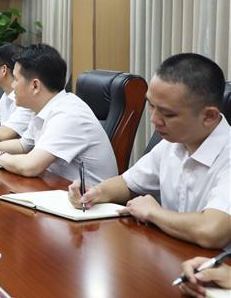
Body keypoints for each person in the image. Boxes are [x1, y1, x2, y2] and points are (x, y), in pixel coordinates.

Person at [68, 53, 230, 249]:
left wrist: (153, 213)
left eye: (168, 114)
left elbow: (212, 232)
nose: (154, 119)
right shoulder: (173, 143)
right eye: (151, 106)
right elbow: (128, 183)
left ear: (209, 116)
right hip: (175, 253)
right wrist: (95, 193)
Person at [0, 44, 118, 185]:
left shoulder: (68, 114)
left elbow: (31, 166)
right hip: (57, 191)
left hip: (89, 205)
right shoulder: (44, 107)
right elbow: (23, 145)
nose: (13, 86)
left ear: (35, 86)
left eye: (16, 79)